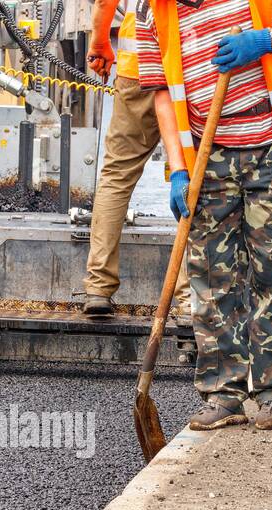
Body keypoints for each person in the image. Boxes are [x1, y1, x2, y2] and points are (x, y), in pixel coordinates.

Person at [137, 0, 272, 430]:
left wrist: (265, 39)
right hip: (207, 156)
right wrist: (178, 167)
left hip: (270, 148)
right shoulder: (149, 10)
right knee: (211, 278)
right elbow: (162, 93)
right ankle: (223, 395)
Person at [81, 0, 189, 318]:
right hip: (188, 67)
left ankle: (98, 288)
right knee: (193, 173)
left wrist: (100, 42)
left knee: (118, 173)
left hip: (137, 65)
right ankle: (187, 296)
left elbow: (105, 2)